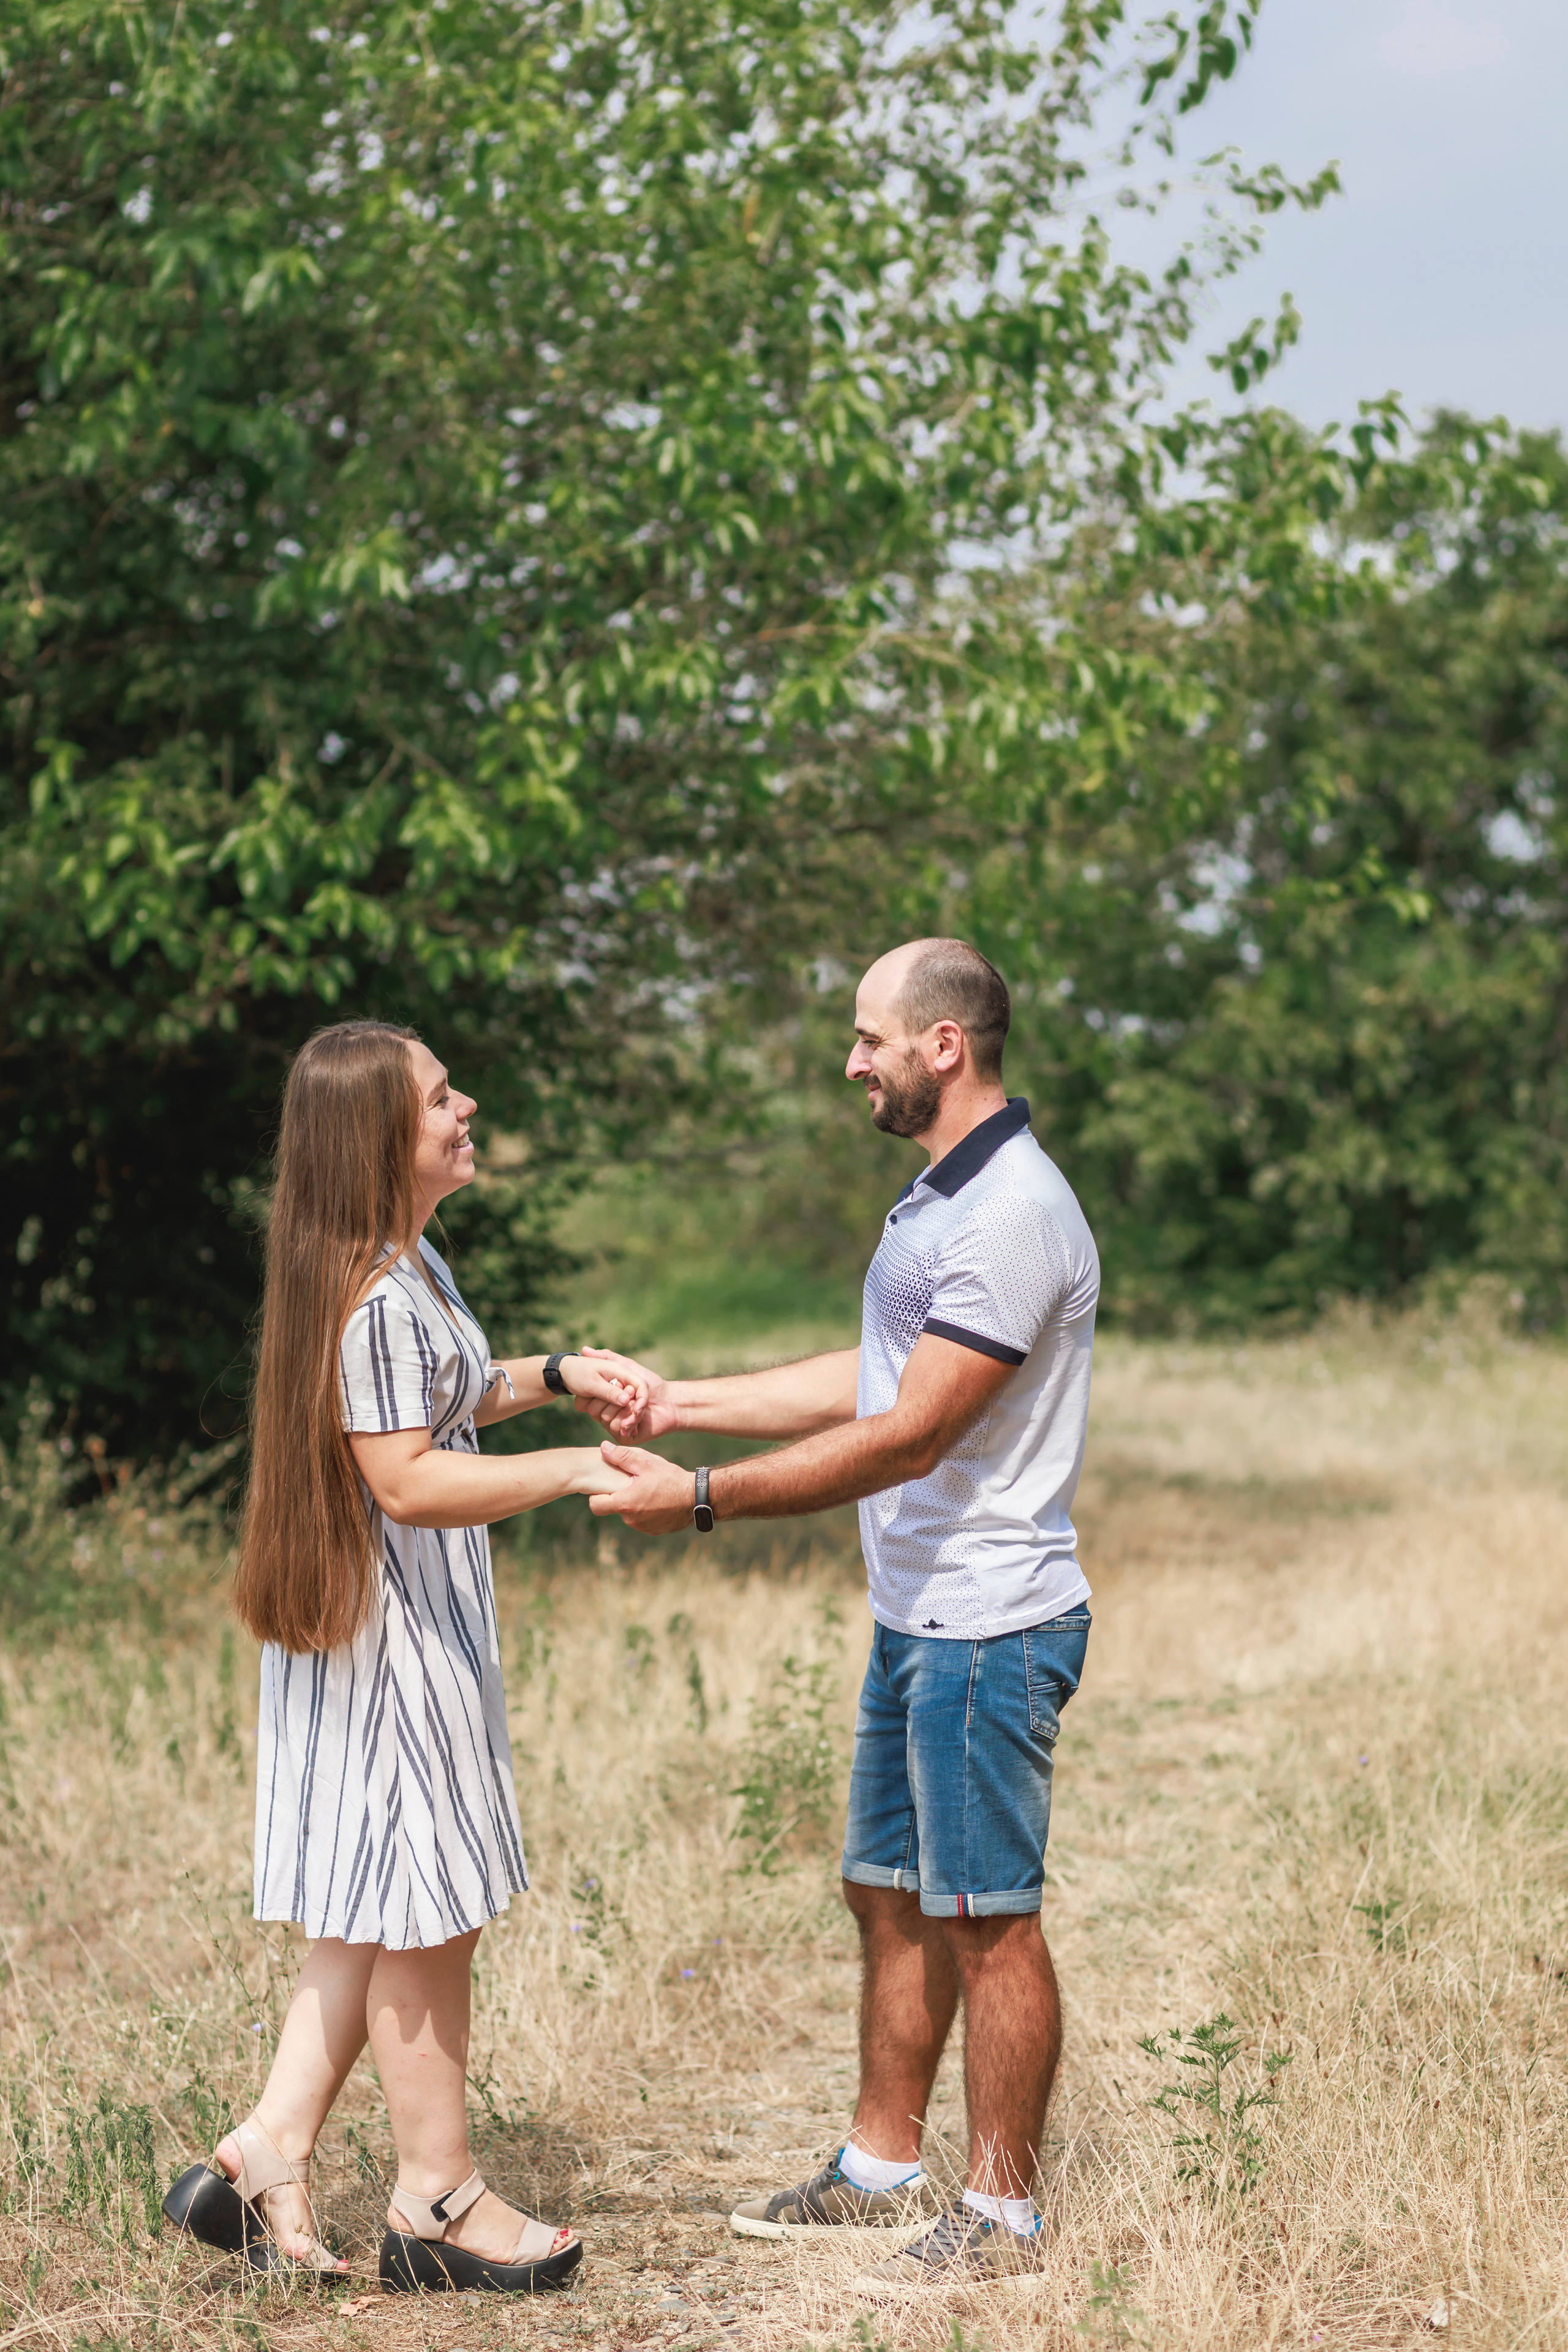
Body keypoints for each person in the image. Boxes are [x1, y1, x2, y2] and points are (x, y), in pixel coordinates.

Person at [576, 940, 1098, 2293]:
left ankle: (1002, 2217)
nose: (848, 1061)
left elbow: (910, 1435)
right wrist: (683, 1400)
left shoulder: (1013, 1214)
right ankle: (879, 2171)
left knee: (987, 1918)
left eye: (869, 1038)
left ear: (943, 1046)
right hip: (915, 1613)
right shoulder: (937, 1198)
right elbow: (870, 1373)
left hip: (988, 1624)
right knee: (885, 1893)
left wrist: (699, 1499)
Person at [162, 1020, 639, 2293]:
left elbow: (445, 1395)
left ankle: (263, 2153)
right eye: (441, 1098)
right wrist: (582, 1466)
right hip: (393, 1654)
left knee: (372, 1919)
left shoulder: (396, 1260)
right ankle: (436, 2198)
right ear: (380, 1135)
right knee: (430, 1916)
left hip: (393, 1636)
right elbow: (408, 1480)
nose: (465, 1105)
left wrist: (553, 1374)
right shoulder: (373, 1293)